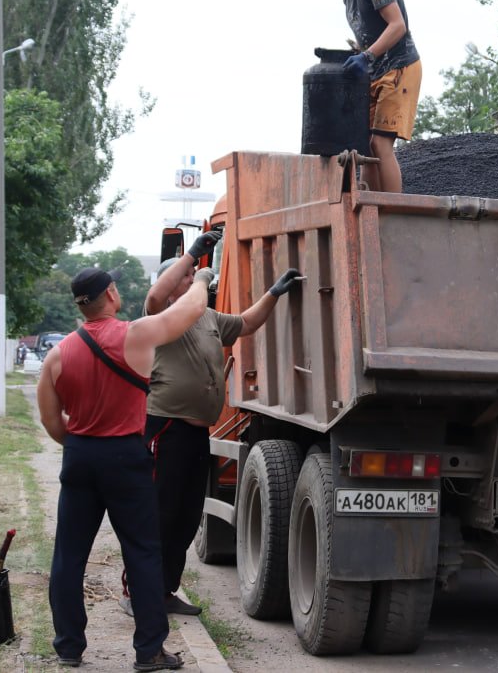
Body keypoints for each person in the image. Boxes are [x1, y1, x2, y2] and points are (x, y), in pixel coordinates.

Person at [119, 229, 302, 617]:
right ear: (172, 285)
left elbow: (248, 323)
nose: (193, 281)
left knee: (186, 518)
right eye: (183, 278)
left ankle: (165, 590)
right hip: (165, 429)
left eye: (191, 278)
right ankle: (137, 592)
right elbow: (154, 296)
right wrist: (196, 262)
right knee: (158, 513)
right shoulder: (161, 318)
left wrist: (273, 293)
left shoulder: (209, 318)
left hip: (195, 433)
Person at [36, 266, 212, 670]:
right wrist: (201, 279)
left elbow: (51, 421)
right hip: (126, 458)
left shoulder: (58, 353)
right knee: (142, 553)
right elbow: (190, 309)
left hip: (80, 456)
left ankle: (68, 646)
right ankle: (149, 651)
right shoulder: (135, 335)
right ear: (112, 294)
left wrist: (82, 445)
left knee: (69, 555)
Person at [311, 0, 423, 193]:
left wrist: (367, 55)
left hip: (400, 67)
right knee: (365, 143)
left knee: (381, 144)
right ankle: (371, 206)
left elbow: (397, 26)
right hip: (375, 72)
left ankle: (393, 210)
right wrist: (350, 56)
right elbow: (367, 37)